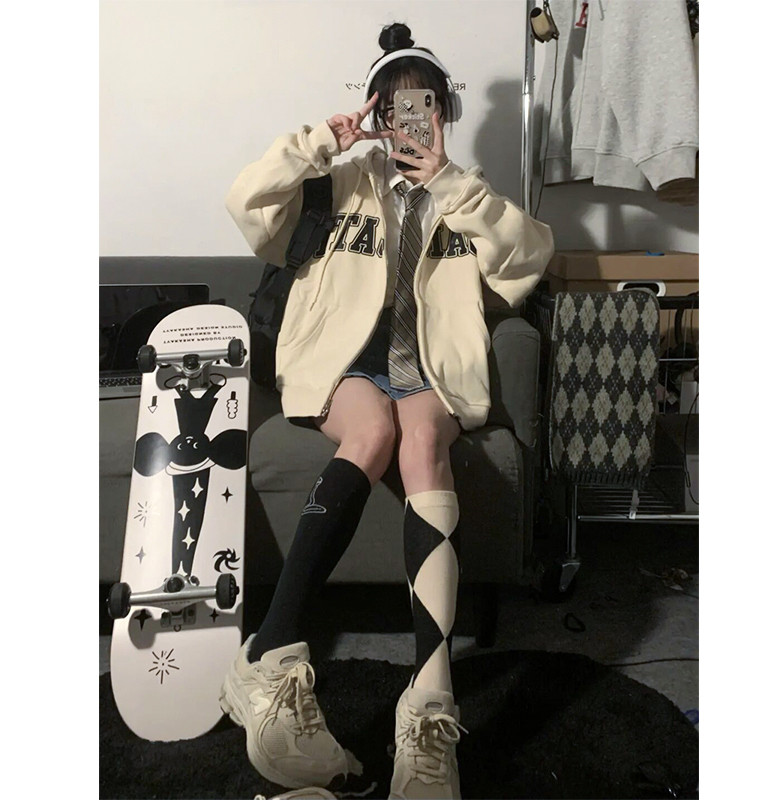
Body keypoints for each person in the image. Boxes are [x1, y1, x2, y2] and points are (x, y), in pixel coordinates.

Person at [220, 22, 554, 800]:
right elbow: (245, 204)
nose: (411, 119)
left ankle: (430, 700)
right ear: (374, 110)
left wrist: (455, 187)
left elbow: (531, 260)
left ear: (444, 112)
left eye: (425, 104)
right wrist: (320, 142)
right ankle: (271, 653)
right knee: (372, 429)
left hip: (429, 369)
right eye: (395, 104)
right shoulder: (339, 181)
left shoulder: (464, 193)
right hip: (347, 365)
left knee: (423, 438)